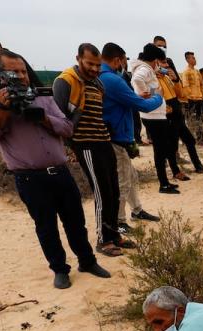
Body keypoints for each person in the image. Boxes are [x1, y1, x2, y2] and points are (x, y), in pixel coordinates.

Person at [0, 50, 110, 289]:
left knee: (76, 222)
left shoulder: (41, 95)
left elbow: (68, 128)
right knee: (46, 227)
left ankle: (87, 261)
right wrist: (5, 108)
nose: (21, 76)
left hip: (60, 172)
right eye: (13, 72)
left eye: (23, 71)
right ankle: (59, 269)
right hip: (29, 177)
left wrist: (44, 118)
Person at [54, 43, 135, 258]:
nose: (94, 68)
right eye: (90, 64)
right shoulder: (65, 81)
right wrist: (69, 146)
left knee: (114, 191)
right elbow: (59, 117)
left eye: (98, 65)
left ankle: (113, 234)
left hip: (103, 141)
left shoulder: (97, 83)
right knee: (101, 192)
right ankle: (103, 240)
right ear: (78, 58)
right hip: (85, 143)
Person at [99, 43, 163, 234]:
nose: (125, 64)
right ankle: (119, 221)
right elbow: (141, 105)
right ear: (117, 59)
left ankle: (137, 210)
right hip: (116, 138)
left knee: (131, 176)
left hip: (117, 136)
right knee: (123, 181)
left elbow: (129, 100)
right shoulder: (111, 79)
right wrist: (158, 97)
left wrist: (138, 97)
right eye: (124, 60)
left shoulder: (106, 77)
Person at [129, 45, 179, 194]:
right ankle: (163, 184)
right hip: (154, 116)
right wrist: (147, 94)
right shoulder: (144, 69)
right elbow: (137, 80)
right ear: (154, 60)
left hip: (154, 115)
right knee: (160, 149)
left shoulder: (146, 68)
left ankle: (165, 182)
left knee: (161, 148)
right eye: (158, 61)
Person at [164, 59, 203, 177]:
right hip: (169, 117)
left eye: (169, 66)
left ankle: (198, 166)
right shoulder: (160, 79)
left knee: (190, 141)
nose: (167, 68)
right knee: (171, 146)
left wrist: (176, 80)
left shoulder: (173, 79)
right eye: (165, 65)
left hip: (178, 116)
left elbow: (182, 94)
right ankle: (175, 171)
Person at [181, 51, 203, 145]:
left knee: (200, 119)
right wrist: (190, 96)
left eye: (194, 57)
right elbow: (185, 86)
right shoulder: (186, 72)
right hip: (191, 100)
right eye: (192, 58)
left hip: (199, 99)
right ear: (187, 59)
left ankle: (200, 139)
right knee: (191, 120)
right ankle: (190, 140)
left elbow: (202, 85)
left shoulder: (197, 72)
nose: (195, 59)